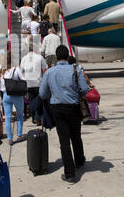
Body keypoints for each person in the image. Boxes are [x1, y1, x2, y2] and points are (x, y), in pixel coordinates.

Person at [39, 45, 90, 183]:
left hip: (58, 109)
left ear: (56, 57)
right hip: (74, 108)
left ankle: (70, 174)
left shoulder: (50, 72)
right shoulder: (76, 69)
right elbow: (85, 89)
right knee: (76, 136)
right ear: (68, 57)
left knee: (64, 141)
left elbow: (42, 93)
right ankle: (79, 161)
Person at [0, 51, 26, 146]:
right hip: (17, 95)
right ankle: (19, 135)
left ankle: (10, 139)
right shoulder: (16, 69)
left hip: (6, 95)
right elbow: (24, 79)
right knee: (20, 116)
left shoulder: (1, 70)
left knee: (7, 117)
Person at [21, 42, 47, 125]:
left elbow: (21, 72)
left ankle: (34, 118)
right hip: (38, 82)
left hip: (28, 83)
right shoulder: (40, 58)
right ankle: (38, 118)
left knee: (31, 101)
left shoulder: (24, 58)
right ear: (35, 49)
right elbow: (44, 70)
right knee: (39, 101)